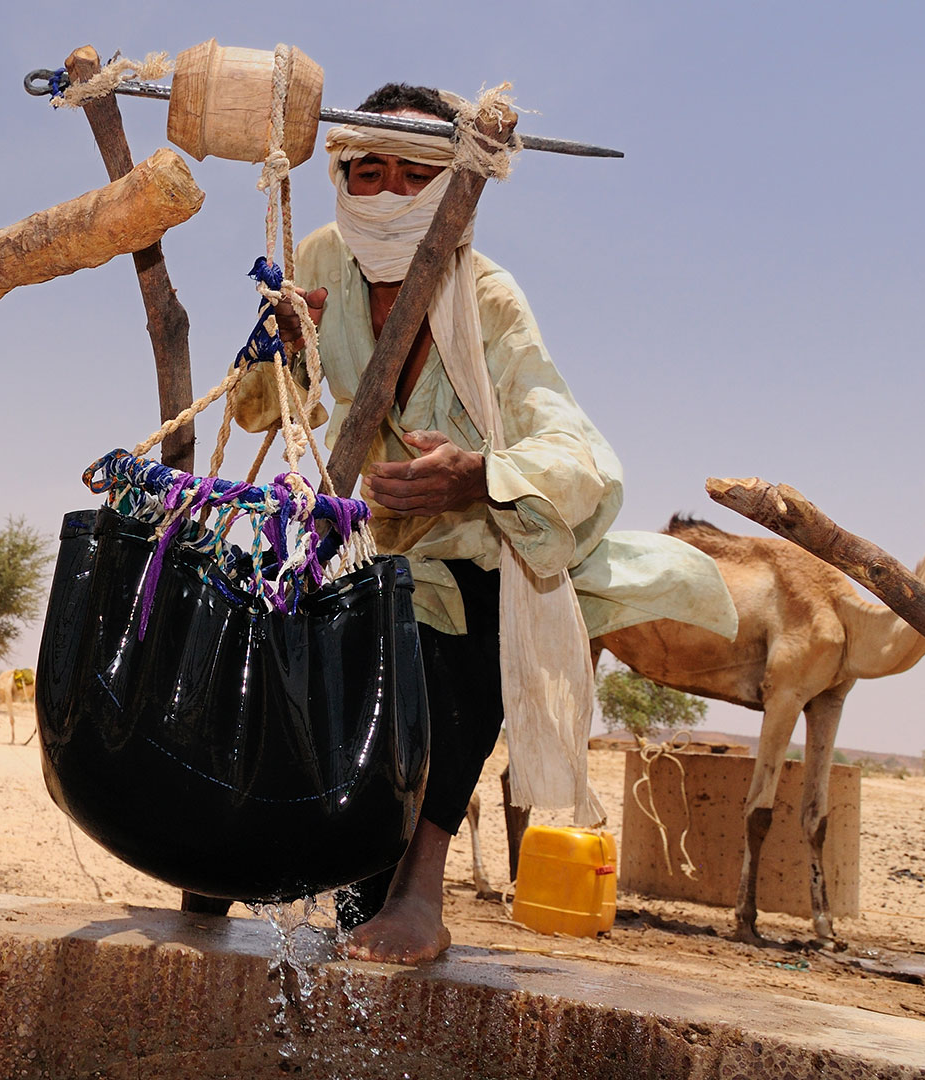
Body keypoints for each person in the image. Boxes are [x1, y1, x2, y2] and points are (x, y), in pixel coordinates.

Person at [231, 83, 735, 963]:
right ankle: (255, 863)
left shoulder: (490, 298)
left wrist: (477, 477)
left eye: (414, 173)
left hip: (470, 544)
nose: (387, 192)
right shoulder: (318, 258)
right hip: (359, 533)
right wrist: (279, 344)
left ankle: (424, 889)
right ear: (343, 174)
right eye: (368, 170)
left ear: (446, 186)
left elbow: (569, 442)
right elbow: (255, 412)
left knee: (466, 630)